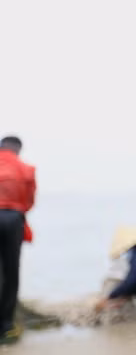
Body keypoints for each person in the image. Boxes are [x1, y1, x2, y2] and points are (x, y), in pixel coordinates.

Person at [0, 136, 35, 346]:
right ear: (18, 150)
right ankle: (6, 326)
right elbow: (29, 201)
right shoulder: (26, 169)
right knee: (11, 272)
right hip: (13, 218)